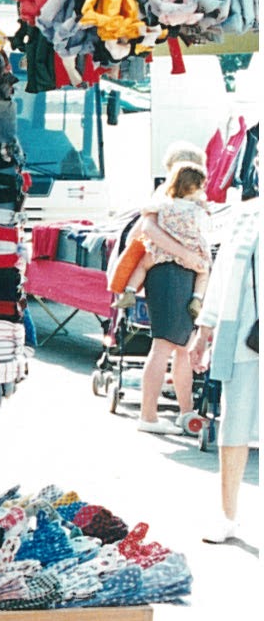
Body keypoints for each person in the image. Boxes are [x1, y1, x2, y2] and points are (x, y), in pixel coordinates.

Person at [132, 156, 217, 435]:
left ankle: (185, 411)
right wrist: (190, 257)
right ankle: (148, 415)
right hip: (173, 274)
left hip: (174, 275)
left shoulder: (165, 201)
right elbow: (148, 228)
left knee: (181, 348)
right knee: (164, 347)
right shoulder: (171, 205)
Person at [191, 198, 259, 544]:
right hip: (242, 335)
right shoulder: (244, 215)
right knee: (234, 426)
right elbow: (220, 279)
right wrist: (204, 331)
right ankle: (227, 516)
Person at [110, 161, 212, 317]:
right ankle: (197, 299)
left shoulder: (163, 204)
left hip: (161, 251)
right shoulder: (197, 210)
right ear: (196, 187)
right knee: (203, 272)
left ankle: (130, 292)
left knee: (143, 266)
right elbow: (205, 227)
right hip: (191, 250)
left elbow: (146, 214)